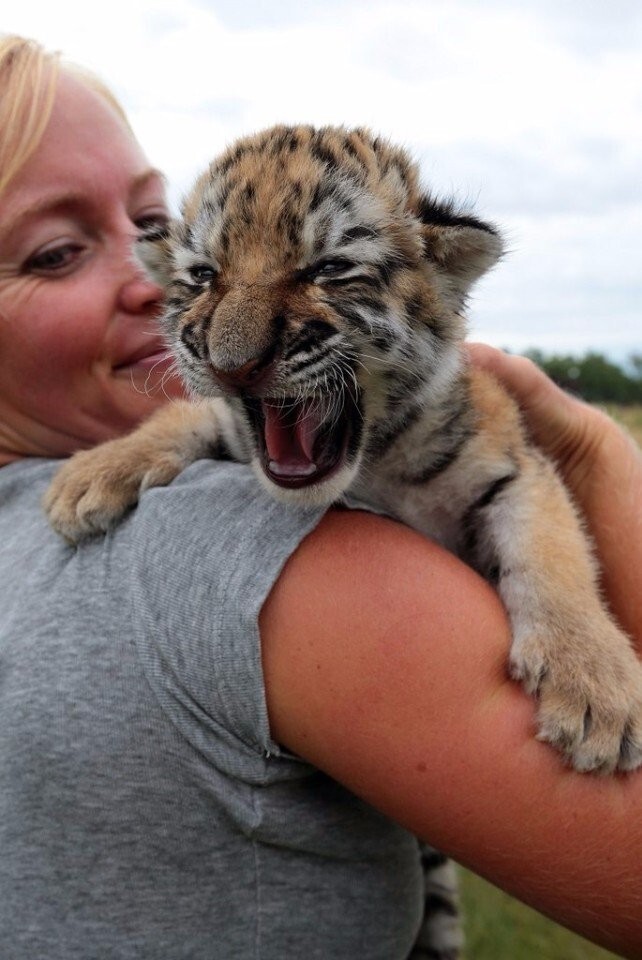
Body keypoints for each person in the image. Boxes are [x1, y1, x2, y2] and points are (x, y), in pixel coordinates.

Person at [0, 33, 641, 960]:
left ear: (446, 277)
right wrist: (602, 456)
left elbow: (512, 490)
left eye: (149, 223)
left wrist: (570, 616)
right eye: (56, 252)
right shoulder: (248, 571)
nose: (230, 337)